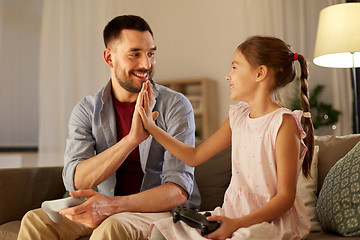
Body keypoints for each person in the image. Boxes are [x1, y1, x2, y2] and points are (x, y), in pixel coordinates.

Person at [17, 15, 200, 240]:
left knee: (113, 225)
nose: (146, 64)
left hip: (156, 212)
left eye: (151, 53)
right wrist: (131, 140)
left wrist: (111, 206)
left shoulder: (176, 106)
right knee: (35, 221)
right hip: (102, 205)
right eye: (135, 54)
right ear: (109, 57)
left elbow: (177, 191)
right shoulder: (87, 109)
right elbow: (76, 179)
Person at [138, 36, 314, 239]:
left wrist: (236, 224)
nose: (228, 76)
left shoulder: (282, 123)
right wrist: (151, 128)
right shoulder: (237, 117)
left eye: (235, 67)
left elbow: (285, 197)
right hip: (233, 214)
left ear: (260, 73)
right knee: (163, 231)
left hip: (268, 221)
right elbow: (194, 156)